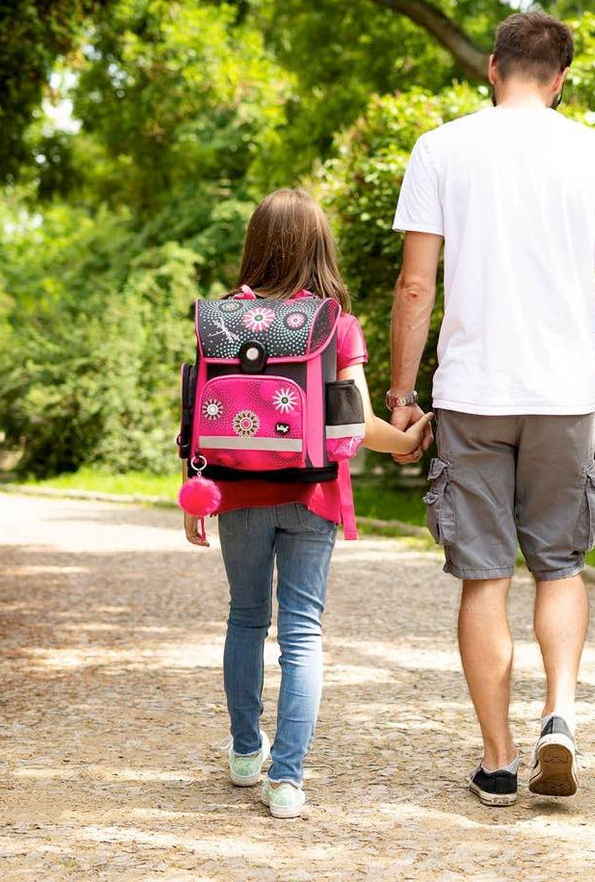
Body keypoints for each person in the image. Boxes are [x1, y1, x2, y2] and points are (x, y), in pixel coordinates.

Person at [387, 11, 595, 805]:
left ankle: (499, 759)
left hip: (471, 393)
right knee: (560, 565)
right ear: (561, 77)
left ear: (492, 68)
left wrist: (401, 395)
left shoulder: (441, 148)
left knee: (483, 575)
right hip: (564, 394)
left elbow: (414, 285)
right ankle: (559, 714)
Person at [183, 188, 433, 819]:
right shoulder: (334, 324)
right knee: (301, 633)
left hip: (236, 489)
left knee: (245, 619)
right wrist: (408, 441)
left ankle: (246, 753)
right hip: (313, 492)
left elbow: (199, 408)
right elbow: (359, 423)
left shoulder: (221, 322)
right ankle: (287, 780)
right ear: (320, 248)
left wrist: (195, 491)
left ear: (255, 246)